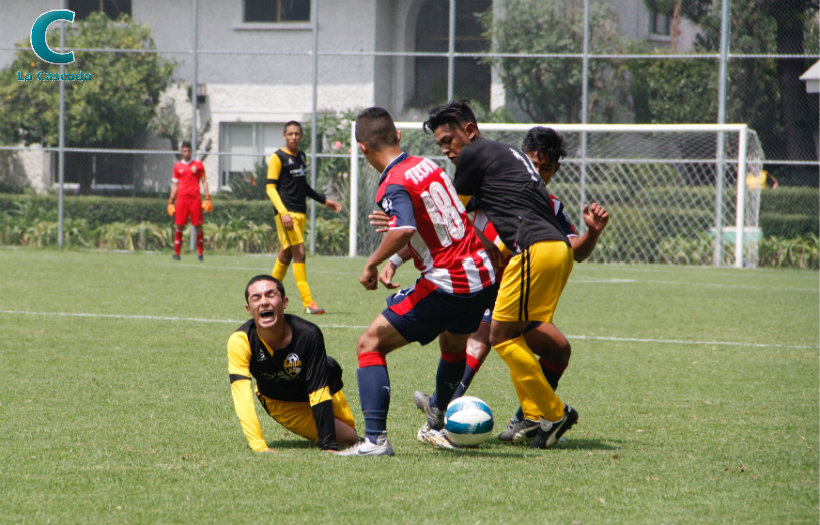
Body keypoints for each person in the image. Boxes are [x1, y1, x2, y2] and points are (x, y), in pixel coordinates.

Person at [412, 126, 610, 443]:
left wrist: (593, 234)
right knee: (481, 339)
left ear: (556, 169)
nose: (538, 172)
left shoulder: (551, 206)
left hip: (519, 286)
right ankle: (440, 416)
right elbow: (447, 216)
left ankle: (529, 417)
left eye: (546, 168)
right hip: (479, 281)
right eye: (533, 164)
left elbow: (575, 250)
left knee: (557, 348)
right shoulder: (491, 183)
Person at [336, 107, 497, 456]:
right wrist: (396, 258)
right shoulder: (428, 166)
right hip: (482, 277)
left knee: (369, 344)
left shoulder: (393, 182)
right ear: (397, 136)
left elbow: (405, 228)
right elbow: (434, 226)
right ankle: (437, 416)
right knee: (453, 347)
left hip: (449, 282)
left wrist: (372, 263)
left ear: (362, 149)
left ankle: (375, 441)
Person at [227, 274, 359, 452]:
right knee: (348, 438)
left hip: (312, 389)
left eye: (270, 295)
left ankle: (327, 424)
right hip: (282, 402)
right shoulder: (240, 340)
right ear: (249, 308)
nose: (264, 302)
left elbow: (318, 390)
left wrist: (329, 446)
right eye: (256, 298)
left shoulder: (309, 333)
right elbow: (242, 395)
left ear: (284, 302)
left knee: (330, 367)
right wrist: (259, 445)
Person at [266, 121, 342, 315]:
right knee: (299, 252)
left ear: (301, 136)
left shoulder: (301, 156)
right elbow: (270, 188)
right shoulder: (277, 157)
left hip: (300, 212)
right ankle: (308, 303)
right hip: (287, 214)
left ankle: (266, 293)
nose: (294, 137)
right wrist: (283, 213)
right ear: (284, 136)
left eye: (297, 134)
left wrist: (325, 201)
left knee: (286, 254)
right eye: (290, 134)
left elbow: (303, 186)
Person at [168, 141, 211, 261]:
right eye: (184, 151)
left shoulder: (198, 165)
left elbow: (204, 181)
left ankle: (200, 254)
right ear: (181, 152)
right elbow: (175, 185)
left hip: (195, 199)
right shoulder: (177, 166)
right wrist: (171, 200)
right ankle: (177, 253)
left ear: (191, 151)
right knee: (179, 226)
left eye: (188, 151)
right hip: (181, 199)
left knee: (198, 226)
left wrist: (207, 197)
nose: (186, 153)